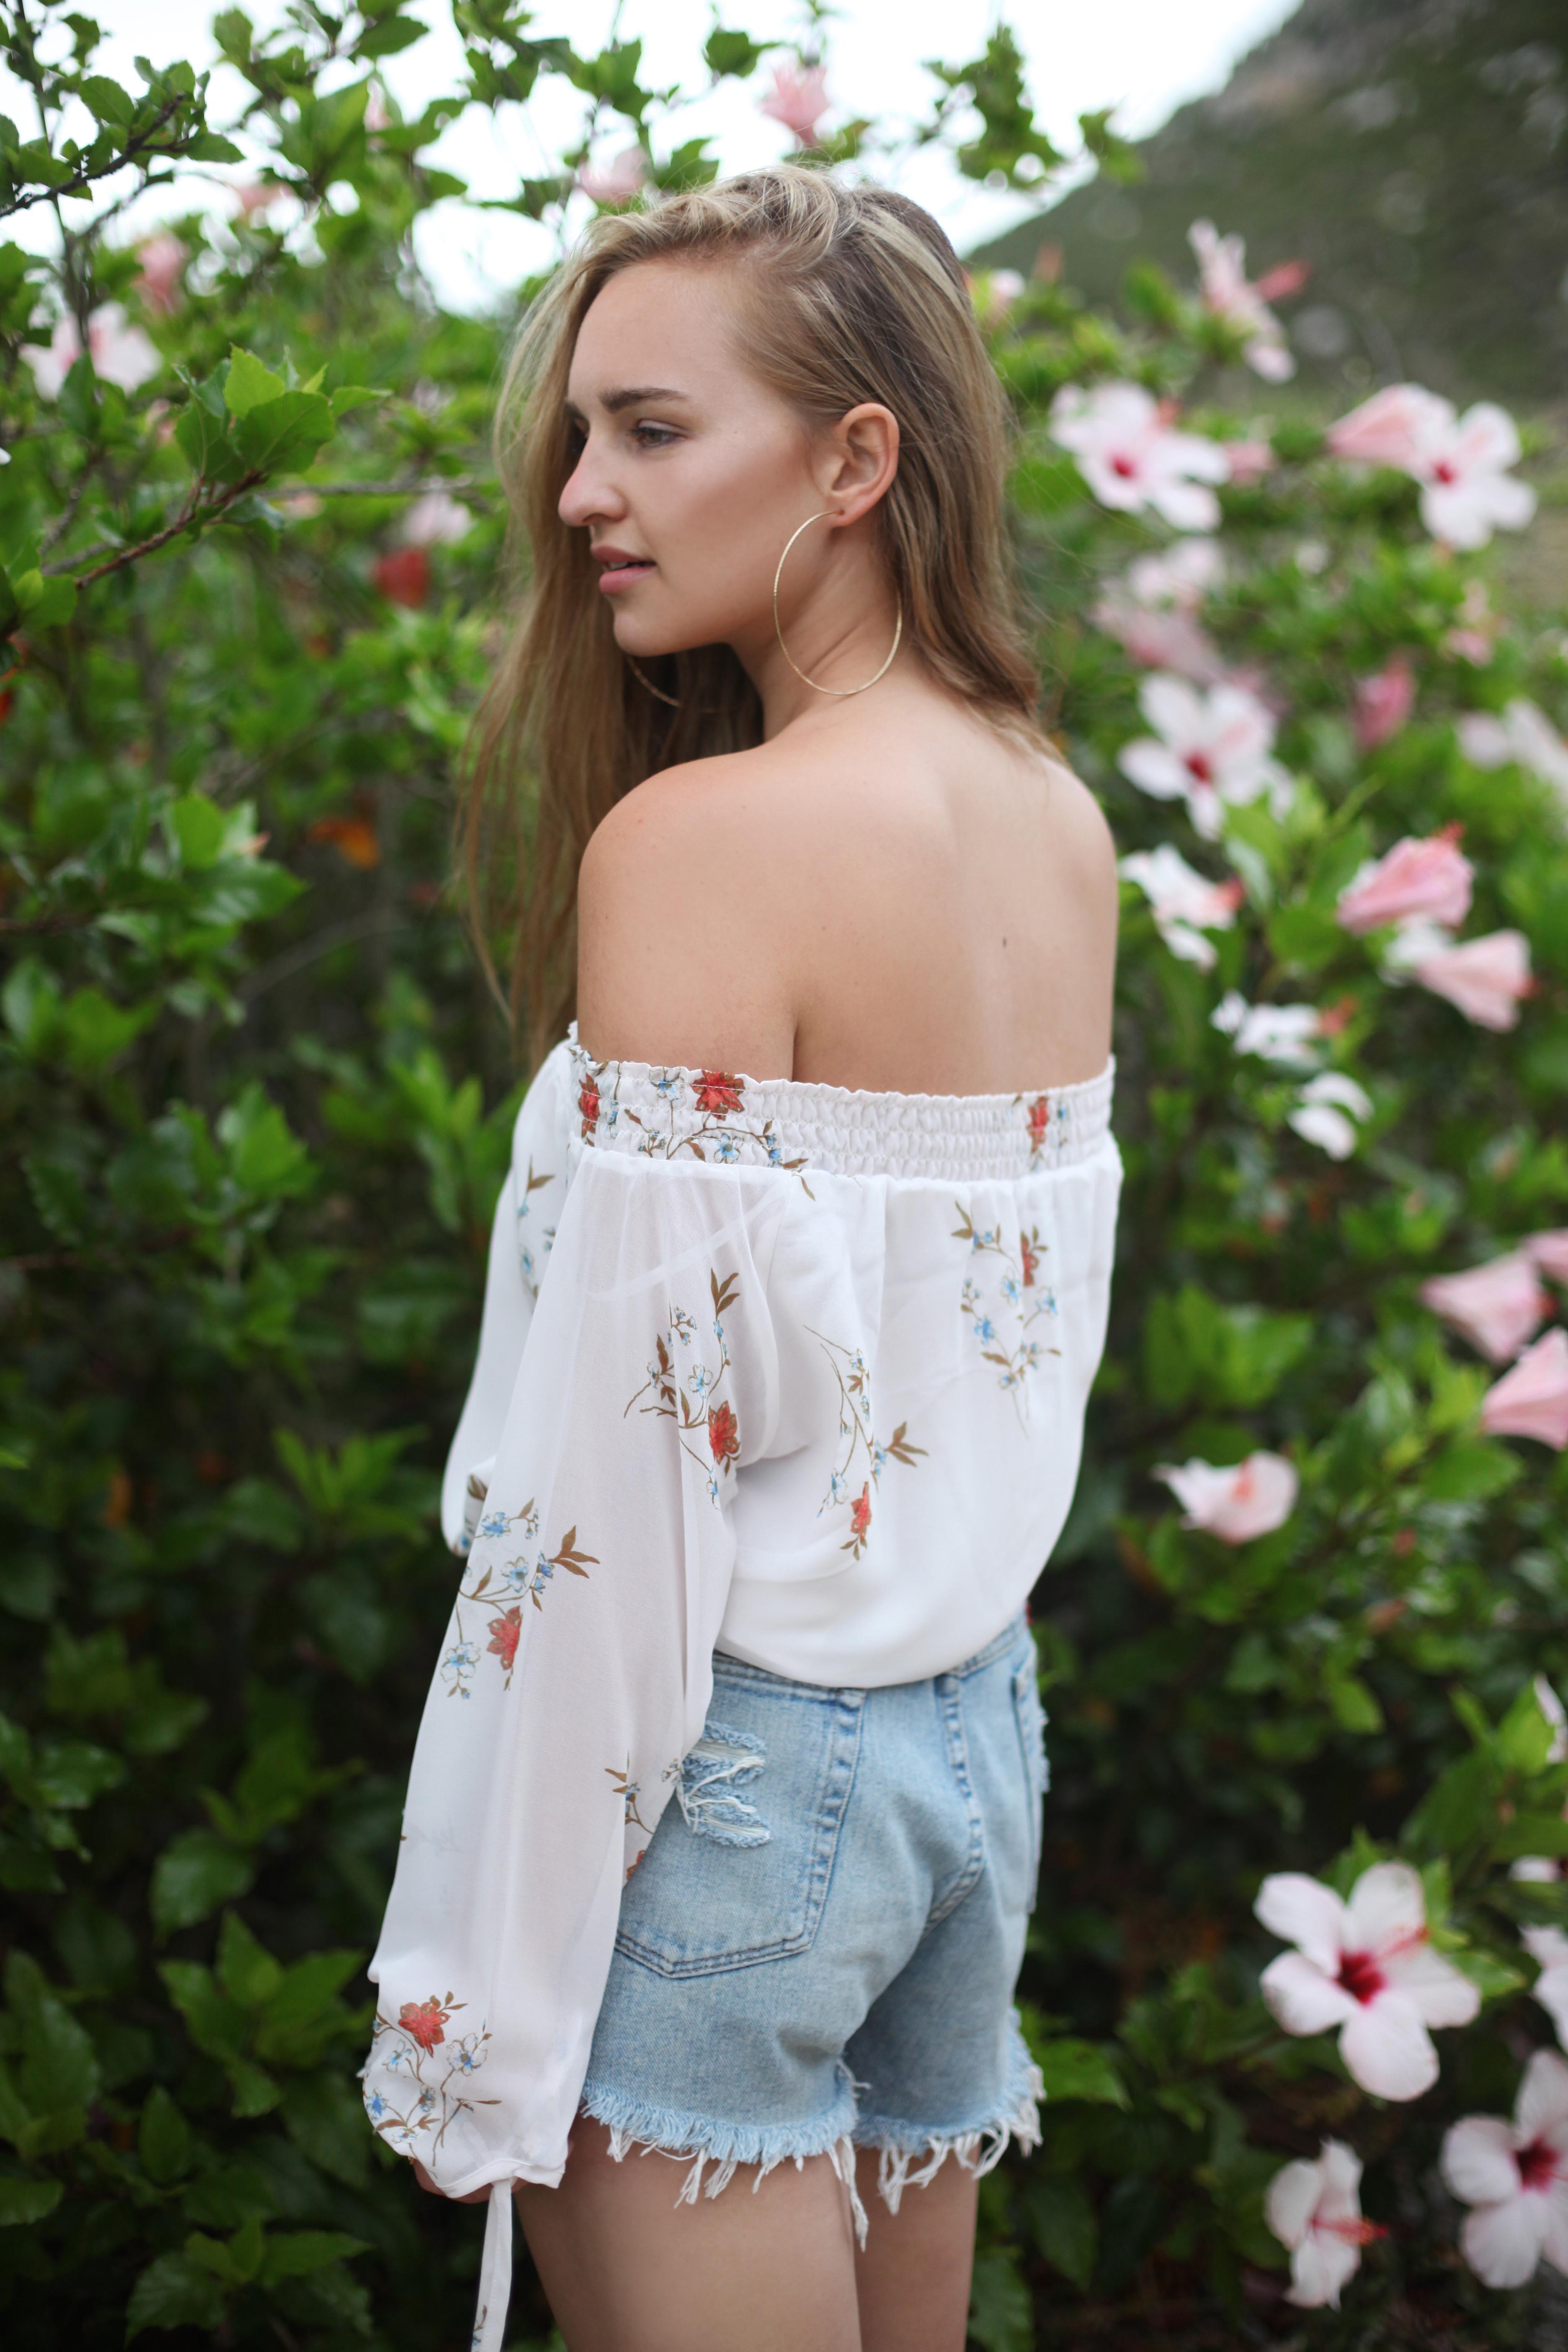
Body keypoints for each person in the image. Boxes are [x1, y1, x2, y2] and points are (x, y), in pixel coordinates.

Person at [361, 166, 1121, 2352]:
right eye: (582, 432)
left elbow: (618, 1491)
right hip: (969, 1751)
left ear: (857, 459)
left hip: (721, 1773)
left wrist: (483, 1993)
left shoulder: (705, 842)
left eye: (653, 428)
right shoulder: (1052, 818)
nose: (582, 493)